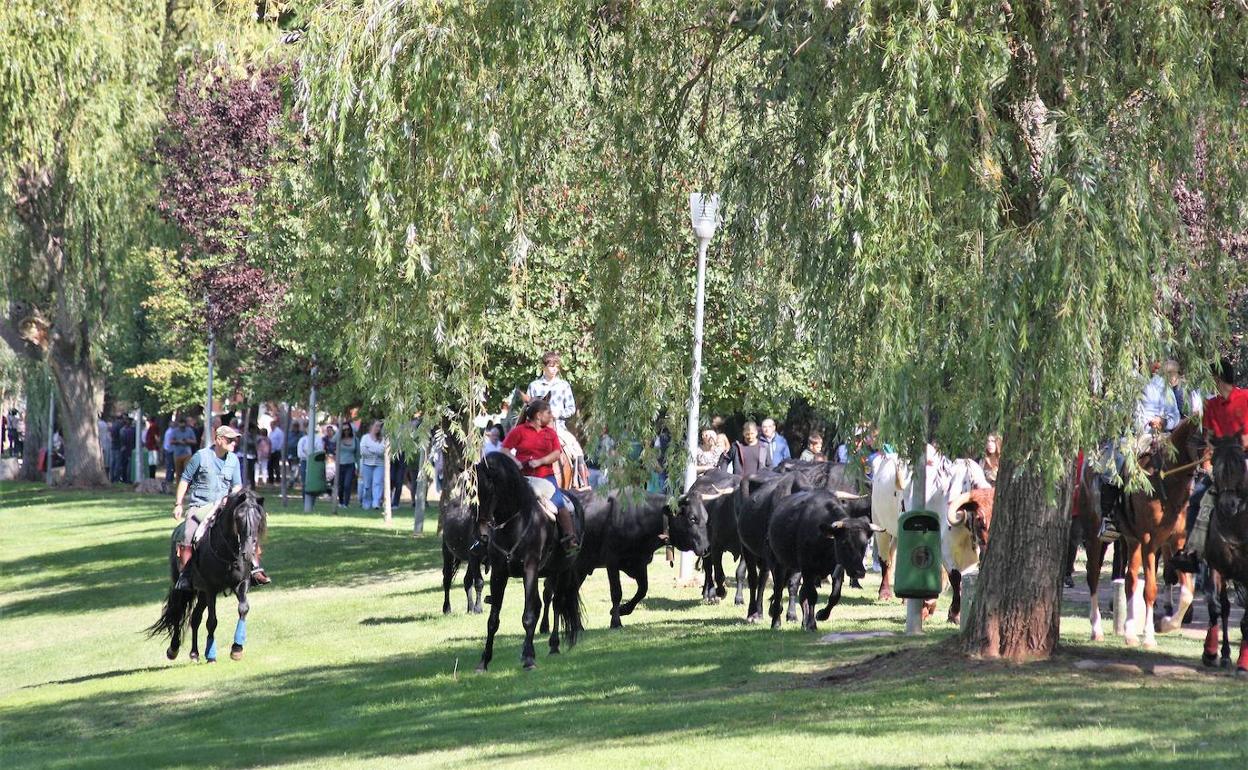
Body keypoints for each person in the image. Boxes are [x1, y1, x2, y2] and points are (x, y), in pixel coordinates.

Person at [171, 425, 269, 590]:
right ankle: (186, 575)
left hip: (224, 506)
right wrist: (178, 504)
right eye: (230, 440)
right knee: (189, 533)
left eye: (235, 440)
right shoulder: (200, 457)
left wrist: (240, 503)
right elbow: (185, 479)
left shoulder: (233, 460)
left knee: (247, 527)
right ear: (218, 439)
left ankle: (254, 568)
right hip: (200, 506)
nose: (234, 443)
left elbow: (237, 487)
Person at [1174, 358, 1248, 568]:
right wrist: (1212, 452)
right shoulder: (1212, 405)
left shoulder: (1245, 397)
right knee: (1198, 497)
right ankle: (1192, 551)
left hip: (1245, 460)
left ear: (1217, 378)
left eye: (1211, 378)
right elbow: (1210, 437)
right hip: (1223, 466)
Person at [499, 399, 579, 552]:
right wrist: (516, 462)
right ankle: (492, 536)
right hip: (523, 478)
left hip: (546, 477)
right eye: (548, 412)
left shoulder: (550, 433)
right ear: (538, 415)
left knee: (560, 504)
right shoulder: (519, 431)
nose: (551, 415)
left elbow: (556, 453)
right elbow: (504, 450)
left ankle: (570, 538)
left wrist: (540, 461)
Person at [525, 351, 586, 488]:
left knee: (577, 451)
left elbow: (571, 409)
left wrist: (559, 413)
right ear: (544, 367)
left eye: (556, 366)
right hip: (537, 427)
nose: (554, 369)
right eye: (551, 366)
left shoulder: (564, 385)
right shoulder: (534, 386)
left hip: (559, 427)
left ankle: (581, 483)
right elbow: (527, 408)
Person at [359, 421, 386, 511]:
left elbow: (383, 451)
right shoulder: (365, 438)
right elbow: (363, 451)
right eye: (376, 426)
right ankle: (366, 502)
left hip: (380, 465)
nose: (378, 428)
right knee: (367, 485)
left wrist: (370, 449)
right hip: (367, 464)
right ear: (371, 426)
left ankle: (376, 503)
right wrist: (376, 450)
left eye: (379, 426)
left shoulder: (382, 439)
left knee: (377, 483)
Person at [333, 424, 358, 506]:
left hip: (350, 464)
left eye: (348, 429)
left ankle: (346, 503)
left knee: (347, 484)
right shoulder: (339, 439)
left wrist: (358, 467)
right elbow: (332, 440)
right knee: (340, 485)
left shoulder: (355, 439)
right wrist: (339, 430)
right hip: (340, 464)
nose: (346, 431)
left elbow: (357, 454)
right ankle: (340, 501)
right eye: (344, 430)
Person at [268, 420, 285, 484]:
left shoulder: (279, 432)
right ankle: (271, 479)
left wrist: (278, 448)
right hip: (270, 451)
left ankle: (278, 479)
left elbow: (281, 441)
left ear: (274, 425)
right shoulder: (271, 432)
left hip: (276, 451)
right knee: (270, 466)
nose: (271, 426)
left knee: (276, 466)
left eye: (271, 425)